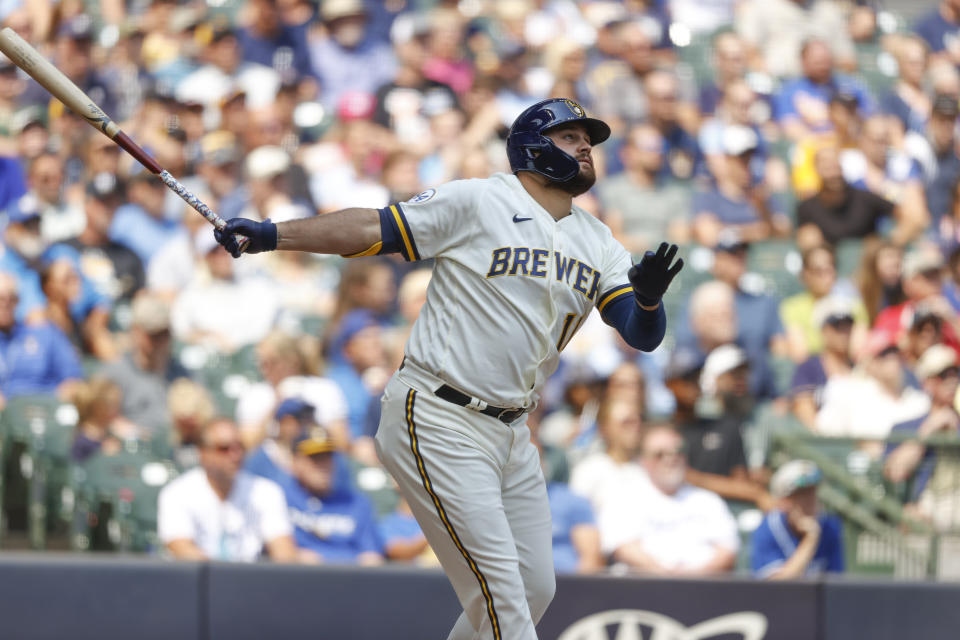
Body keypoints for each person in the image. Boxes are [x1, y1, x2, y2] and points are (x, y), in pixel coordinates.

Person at [214, 98, 683, 640]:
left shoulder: (598, 239)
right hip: (438, 412)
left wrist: (647, 299)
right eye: (570, 136)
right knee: (504, 599)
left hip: (511, 431)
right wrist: (275, 234)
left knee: (533, 590)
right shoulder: (479, 200)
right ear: (532, 147)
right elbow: (372, 227)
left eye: (589, 139)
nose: (585, 146)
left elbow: (640, 334)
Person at [598, 423, 739, 576]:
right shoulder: (624, 499)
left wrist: (689, 578)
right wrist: (665, 576)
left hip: (703, 590)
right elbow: (622, 548)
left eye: (678, 452)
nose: (671, 459)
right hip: (641, 589)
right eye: (660, 454)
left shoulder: (709, 501)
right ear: (643, 460)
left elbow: (728, 552)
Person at [157, 417, 298, 562]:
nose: (235, 455)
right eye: (224, 449)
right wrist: (225, 579)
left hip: (253, 580)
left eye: (239, 447)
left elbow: (284, 553)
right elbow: (182, 549)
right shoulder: (177, 493)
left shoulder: (266, 492)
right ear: (203, 453)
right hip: (197, 580)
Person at [279, 427, 385, 565]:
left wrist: (321, 561)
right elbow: (281, 553)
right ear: (295, 462)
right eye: (314, 458)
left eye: (327, 457)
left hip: (351, 582)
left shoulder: (356, 502)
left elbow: (372, 558)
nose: (323, 465)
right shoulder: (279, 499)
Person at [884, 344, 960, 531]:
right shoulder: (906, 427)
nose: (951, 381)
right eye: (943, 376)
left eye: (955, 374)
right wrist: (929, 429)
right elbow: (895, 472)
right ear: (927, 383)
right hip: (926, 509)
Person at [751, 460, 844, 579]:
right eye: (802, 494)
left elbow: (835, 585)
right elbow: (774, 589)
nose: (811, 500)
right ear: (784, 501)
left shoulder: (830, 527)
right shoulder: (767, 529)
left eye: (813, 492)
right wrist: (810, 539)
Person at [0, 271, 82, 400]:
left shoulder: (44, 334)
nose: (5, 304)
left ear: (18, 301)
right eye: (0, 298)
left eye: (11, 298)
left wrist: (55, 399)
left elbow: (73, 380)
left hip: (45, 409)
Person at [795, 146, 896, 250]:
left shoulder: (865, 199)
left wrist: (890, 245)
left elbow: (902, 214)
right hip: (830, 263)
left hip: (865, 261)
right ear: (817, 169)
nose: (832, 170)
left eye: (835, 163)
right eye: (826, 164)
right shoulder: (807, 208)